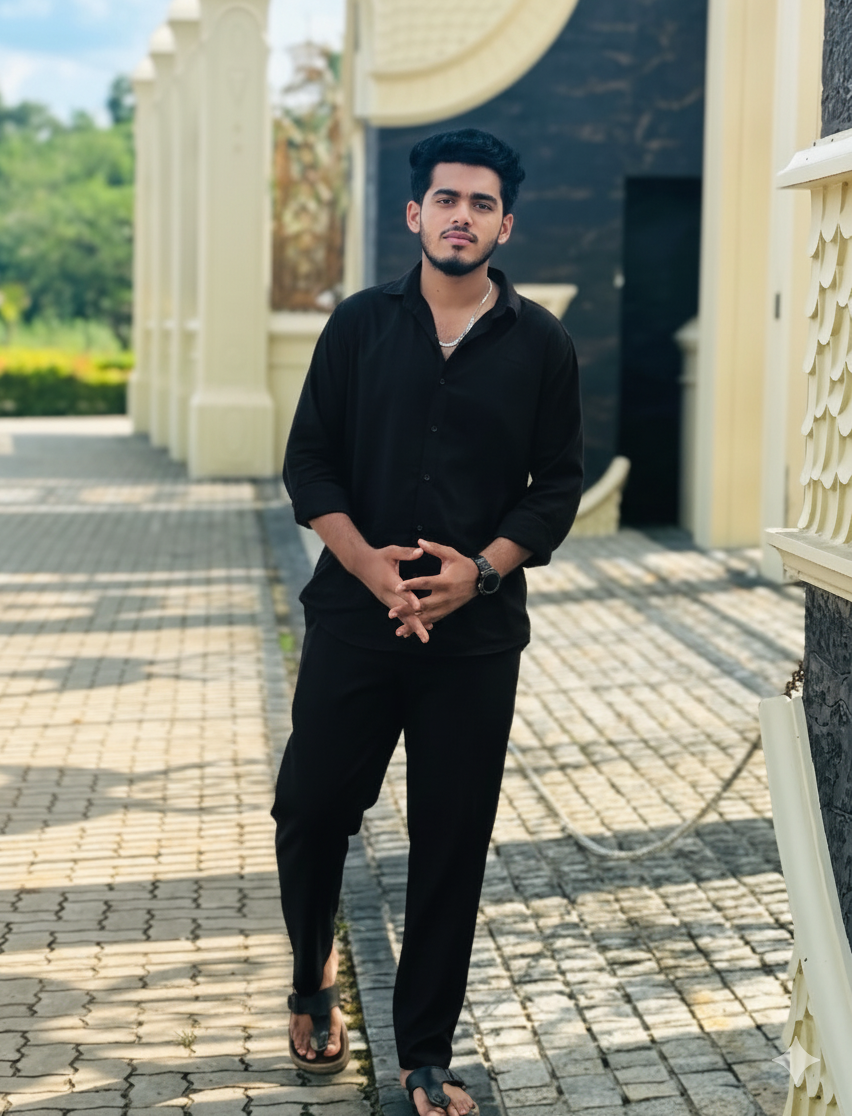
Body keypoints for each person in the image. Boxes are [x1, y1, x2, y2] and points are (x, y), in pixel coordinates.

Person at [273, 127, 583, 1116]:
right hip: (354, 619)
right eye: (447, 199)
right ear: (415, 213)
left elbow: (556, 486)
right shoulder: (359, 326)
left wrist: (480, 573)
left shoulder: (543, 345)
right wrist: (368, 566)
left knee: (452, 842)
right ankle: (310, 974)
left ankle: (424, 1056)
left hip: (475, 639)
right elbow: (309, 461)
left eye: (482, 203)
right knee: (310, 807)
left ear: (505, 225)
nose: (462, 216)